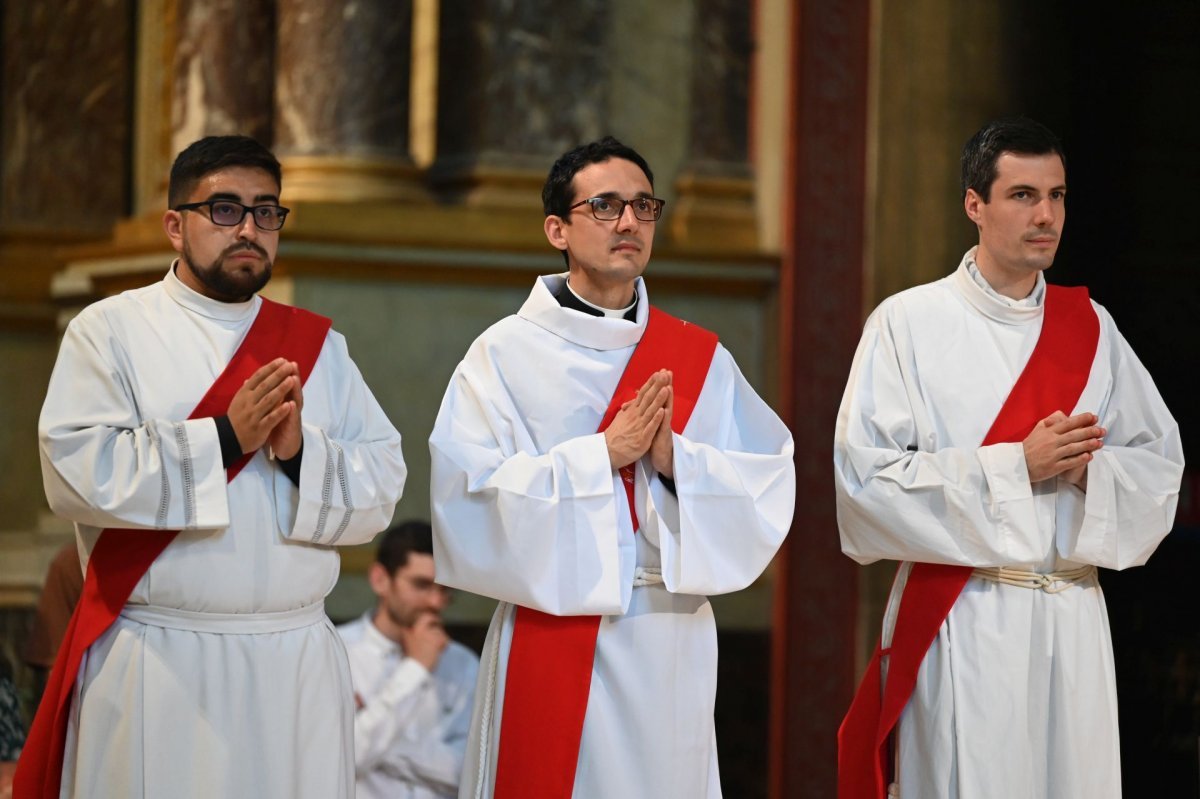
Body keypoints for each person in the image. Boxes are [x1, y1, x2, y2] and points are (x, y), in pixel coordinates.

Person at [18, 135, 407, 799]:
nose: (250, 228)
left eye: (266, 211)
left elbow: (382, 485)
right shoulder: (111, 330)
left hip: (295, 663)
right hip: (160, 662)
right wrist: (226, 438)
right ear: (175, 225)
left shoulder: (321, 347)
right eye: (224, 210)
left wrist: (297, 453)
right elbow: (78, 469)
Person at [429, 136, 796, 798]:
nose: (629, 222)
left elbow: (766, 487)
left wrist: (676, 460)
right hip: (554, 625)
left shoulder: (699, 358)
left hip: (668, 638)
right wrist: (602, 454)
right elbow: (466, 495)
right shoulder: (504, 355)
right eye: (605, 206)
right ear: (557, 229)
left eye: (642, 206)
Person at [834, 117, 1183, 798]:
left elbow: (1159, 471)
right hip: (967, 618)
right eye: (1023, 194)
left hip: (1073, 617)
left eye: (1056, 195)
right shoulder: (908, 323)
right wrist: (1014, 467)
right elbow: (863, 482)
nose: (1046, 214)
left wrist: (1088, 470)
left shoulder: (1094, 328)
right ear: (975, 204)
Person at [337, 520, 478, 799]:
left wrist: (372, 737)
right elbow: (338, 761)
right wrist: (415, 669)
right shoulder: (336, 652)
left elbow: (470, 772)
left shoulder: (463, 664)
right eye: (422, 585)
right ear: (380, 579)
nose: (436, 602)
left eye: (444, 589)